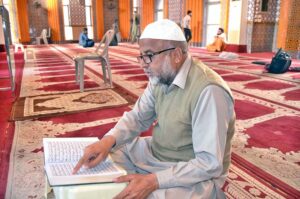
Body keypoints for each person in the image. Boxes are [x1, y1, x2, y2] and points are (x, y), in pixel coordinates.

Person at [73, 19, 235, 199]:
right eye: (141, 56)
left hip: (192, 173)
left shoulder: (209, 91)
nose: (142, 64)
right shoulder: (161, 75)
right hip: (155, 153)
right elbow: (138, 117)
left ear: (176, 55)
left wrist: (154, 181)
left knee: (142, 195)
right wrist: (107, 141)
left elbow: (209, 164)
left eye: (149, 56)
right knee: (105, 157)